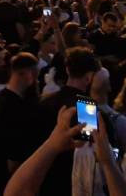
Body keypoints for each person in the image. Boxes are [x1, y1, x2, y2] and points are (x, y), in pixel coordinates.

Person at [36, 47, 100, 196]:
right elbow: (88, 150)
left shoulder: (46, 101)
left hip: (44, 175)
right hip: (70, 181)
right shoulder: (86, 107)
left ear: (67, 69)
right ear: (89, 76)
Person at [0, 52, 40, 194]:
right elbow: (12, 145)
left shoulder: (0, 98)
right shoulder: (11, 105)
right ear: (27, 73)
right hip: (9, 174)